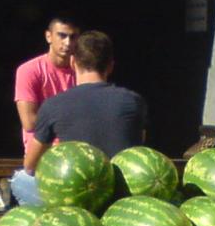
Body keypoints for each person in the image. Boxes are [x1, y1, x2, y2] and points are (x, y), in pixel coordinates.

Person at [20, 30, 147, 180]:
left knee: (21, 179)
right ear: (111, 66)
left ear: (73, 63)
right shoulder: (134, 101)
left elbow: (30, 165)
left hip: (75, 187)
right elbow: (139, 142)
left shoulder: (53, 105)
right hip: (121, 188)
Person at [10, 16, 79, 204]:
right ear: (49, 37)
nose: (68, 43)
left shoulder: (83, 71)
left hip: (77, 161)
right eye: (62, 36)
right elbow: (29, 122)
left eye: (73, 37)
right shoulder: (29, 70)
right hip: (42, 160)